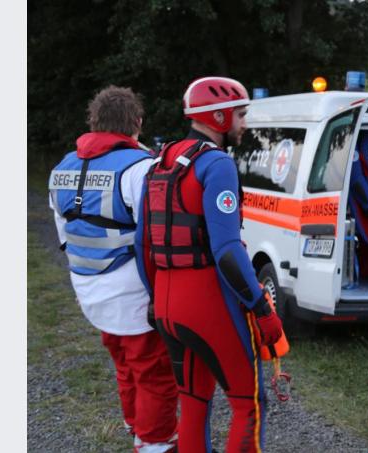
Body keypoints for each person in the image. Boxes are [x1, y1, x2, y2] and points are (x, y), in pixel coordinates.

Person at [135, 76, 284, 452]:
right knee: (247, 405)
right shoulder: (216, 165)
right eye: (240, 114)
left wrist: (157, 297)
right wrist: (261, 307)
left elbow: (143, 246)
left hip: (167, 306)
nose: (244, 123)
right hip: (205, 304)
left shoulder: (159, 161)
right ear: (218, 116)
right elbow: (228, 251)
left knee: (194, 402)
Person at [48, 86, 178, 453]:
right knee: (155, 372)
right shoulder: (141, 168)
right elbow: (156, 238)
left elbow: (63, 231)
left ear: (94, 121)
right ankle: (156, 442)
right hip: (134, 292)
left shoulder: (62, 167)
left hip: (88, 287)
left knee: (123, 360)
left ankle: (135, 424)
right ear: (136, 123)